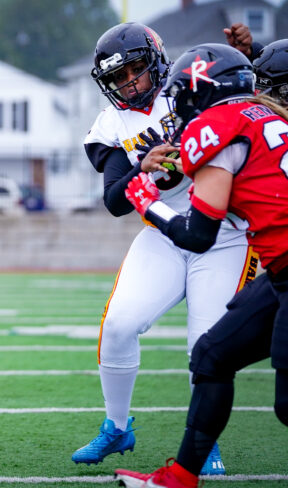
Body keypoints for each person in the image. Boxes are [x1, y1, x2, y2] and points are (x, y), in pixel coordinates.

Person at [72, 23, 257, 475]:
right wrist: (142, 165)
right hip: (163, 234)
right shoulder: (114, 123)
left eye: (135, 69)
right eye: (118, 77)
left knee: (207, 344)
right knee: (118, 324)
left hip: (225, 235)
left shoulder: (192, 88)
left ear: (156, 62)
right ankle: (117, 427)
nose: (128, 82)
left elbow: (255, 93)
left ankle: (203, 441)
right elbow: (116, 201)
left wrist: (247, 57)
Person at [116, 43, 288, 488]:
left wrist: (149, 204)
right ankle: (180, 476)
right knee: (212, 354)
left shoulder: (218, 126)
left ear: (199, 91)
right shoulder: (270, 116)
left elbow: (197, 235)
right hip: (281, 270)